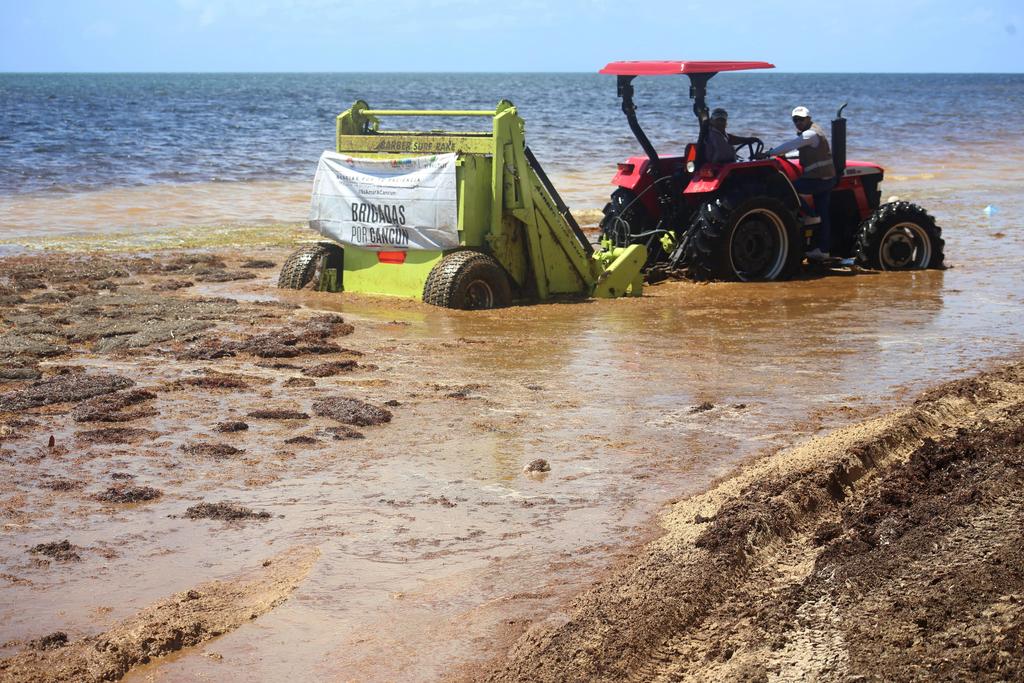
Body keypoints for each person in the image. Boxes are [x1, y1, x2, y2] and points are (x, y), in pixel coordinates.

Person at [767, 106, 837, 261]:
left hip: (819, 180)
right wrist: (786, 157)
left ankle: (809, 215)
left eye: (801, 119)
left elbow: (791, 144)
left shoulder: (810, 133)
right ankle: (823, 250)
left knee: (788, 189)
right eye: (795, 120)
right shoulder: (813, 134)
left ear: (809, 119)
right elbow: (800, 151)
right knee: (824, 215)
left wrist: (769, 153)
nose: (798, 122)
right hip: (827, 178)